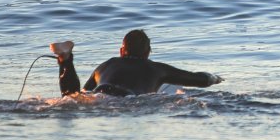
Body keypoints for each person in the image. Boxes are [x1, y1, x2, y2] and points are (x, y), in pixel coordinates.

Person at [51, 29, 223, 97]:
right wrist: (214, 78)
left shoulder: (107, 64)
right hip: (127, 97)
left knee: (71, 96)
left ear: (121, 51)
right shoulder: (157, 69)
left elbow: (82, 93)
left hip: (101, 91)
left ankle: (65, 60)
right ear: (148, 53)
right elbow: (197, 80)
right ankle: (65, 59)